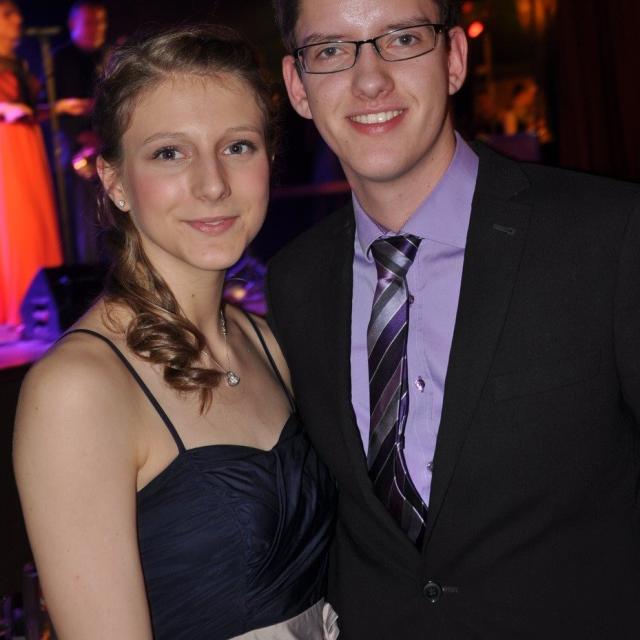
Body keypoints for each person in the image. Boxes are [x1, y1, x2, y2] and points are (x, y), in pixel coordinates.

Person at [267, 0, 640, 637]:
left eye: (402, 38)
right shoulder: (294, 282)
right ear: (298, 86)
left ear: (455, 59)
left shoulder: (609, 235)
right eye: (330, 50)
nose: (369, 80)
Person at [13, 25, 337, 640]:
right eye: (169, 153)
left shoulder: (267, 343)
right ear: (114, 181)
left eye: (237, 146)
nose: (213, 184)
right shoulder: (78, 390)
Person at [0, 0, 62, 326]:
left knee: (37, 216)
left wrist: (59, 107)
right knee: (16, 220)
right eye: (7, 14)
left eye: (16, 13)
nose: (18, 20)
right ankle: (16, 305)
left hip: (28, 140)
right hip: (6, 145)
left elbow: (31, 108)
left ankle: (42, 303)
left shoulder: (20, 62)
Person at [52, 0, 108, 263]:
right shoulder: (59, 59)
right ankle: (88, 268)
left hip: (107, 146)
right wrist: (83, 138)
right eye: (89, 22)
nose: (97, 28)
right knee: (84, 218)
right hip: (77, 150)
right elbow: (53, 109)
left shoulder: (109, 56)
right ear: (72, 24)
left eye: (100, 22)